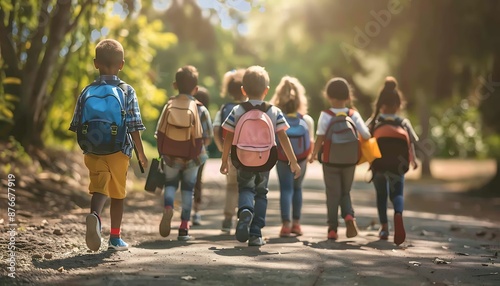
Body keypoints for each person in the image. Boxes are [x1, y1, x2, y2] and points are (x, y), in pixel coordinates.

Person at [69, 39, 148, 251]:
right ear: (121, 64)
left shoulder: (87, 90)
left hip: (93, 149)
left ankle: (95, 216)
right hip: (119, 150)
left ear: (96, 63)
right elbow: (133, 125)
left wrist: (89, 143)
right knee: (118, 194)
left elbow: (76, 124)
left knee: (98, 188)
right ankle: (115, 238)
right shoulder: (127, 91)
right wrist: (141, 153)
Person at [220, 66, 301, 246]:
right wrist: (293, 161)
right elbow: (283, 137)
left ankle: (245, 211)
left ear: (243, 90)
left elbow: (228, 137)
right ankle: (256, 233)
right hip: (265, 159)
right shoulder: (273, 111)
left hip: (242, 158)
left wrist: (225, 160)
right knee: (261, 193)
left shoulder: (237, 110)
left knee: (246, 189)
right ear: (266, 90)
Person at [309, 77, 370, 240]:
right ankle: (349, 216)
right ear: (348, 97)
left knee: (332, 193)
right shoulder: (353, 115)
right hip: (350, 160)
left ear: (328, 96)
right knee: (345, 192)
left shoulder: (326, 115)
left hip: (330, 160)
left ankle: (332, 229)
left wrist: (314, 154)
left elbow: (320, 138)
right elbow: (366, 134)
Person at [157, 65, 213, 241]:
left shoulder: (169, 105)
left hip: (171, 155)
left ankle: (168, 208)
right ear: (196, 89)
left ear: (175, 85)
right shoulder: (200, 108)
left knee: (170, 185)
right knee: (188, 189)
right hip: (192, 156)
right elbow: (208, 136)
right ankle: (184, 227)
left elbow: (159, 131)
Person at [365, 76, 419, 245]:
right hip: (398, 164)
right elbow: (411, 142)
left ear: (381, 104)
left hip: (379, 165)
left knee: (381, 196)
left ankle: (384, 228)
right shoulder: (403, 123)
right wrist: (414, 161)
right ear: (398, 105)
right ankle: (398, 213)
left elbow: (365, 139)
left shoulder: (374, 122)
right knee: (397, 193)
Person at [269, 76, 314, 237]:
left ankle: (285, 224)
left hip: (282, 158)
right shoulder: (306, 120)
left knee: (285, 189)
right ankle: (297, 224)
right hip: (301, 158)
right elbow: (311, 142)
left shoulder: (276, 118)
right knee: (297, 188)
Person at [212, 69, 247, 233]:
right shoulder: (250, 108)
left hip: (232, 153)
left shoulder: (225, 108)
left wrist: (221, 149)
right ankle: (244, 216)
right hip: (251, 155)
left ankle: (227, 219)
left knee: (231, 187)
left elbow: (216, 129)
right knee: (247, 187)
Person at [191, 86, 212, 226]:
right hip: (199, 153)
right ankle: (196, 212)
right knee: (197, 182)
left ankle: (181, 211)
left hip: (178, 151)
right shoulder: (203, 111)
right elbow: (208, 136)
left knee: (184, 182)